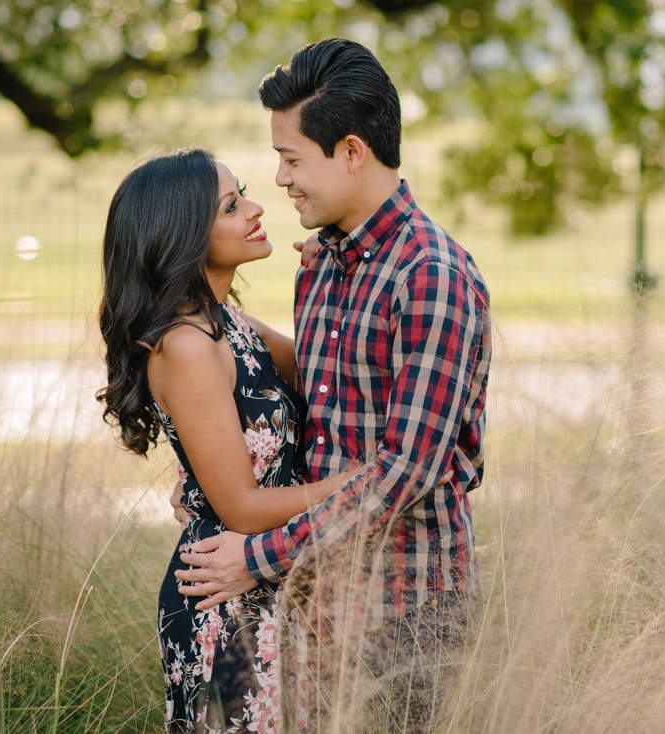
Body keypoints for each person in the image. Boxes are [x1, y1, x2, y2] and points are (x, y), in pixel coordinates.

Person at [174, 38, 492, 730]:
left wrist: (257, 556)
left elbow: (405, 473)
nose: (280, 179)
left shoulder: (431, 277)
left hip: (402, 612)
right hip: (309, 604)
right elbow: (312, 411)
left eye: (291, 158)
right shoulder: (319, 266)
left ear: (352, 152)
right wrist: (215, 472)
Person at [96, 148, 358, 732]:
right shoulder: (187, 344)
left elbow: (321, 371)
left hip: (271, 579)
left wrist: (329, 274)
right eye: (232, 207)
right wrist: (357, 486)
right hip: (227, 601)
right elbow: (238, 505)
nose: (257, 209)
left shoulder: (228, 322)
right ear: (185, 235)